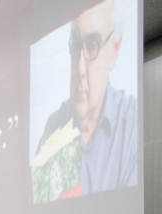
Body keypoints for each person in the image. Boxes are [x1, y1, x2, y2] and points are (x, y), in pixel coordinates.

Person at [35, 0, 136, 197]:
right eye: (75, 45)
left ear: (114, 51)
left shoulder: (132, 127)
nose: (80, 69)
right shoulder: (54, 126)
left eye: (92, 46)